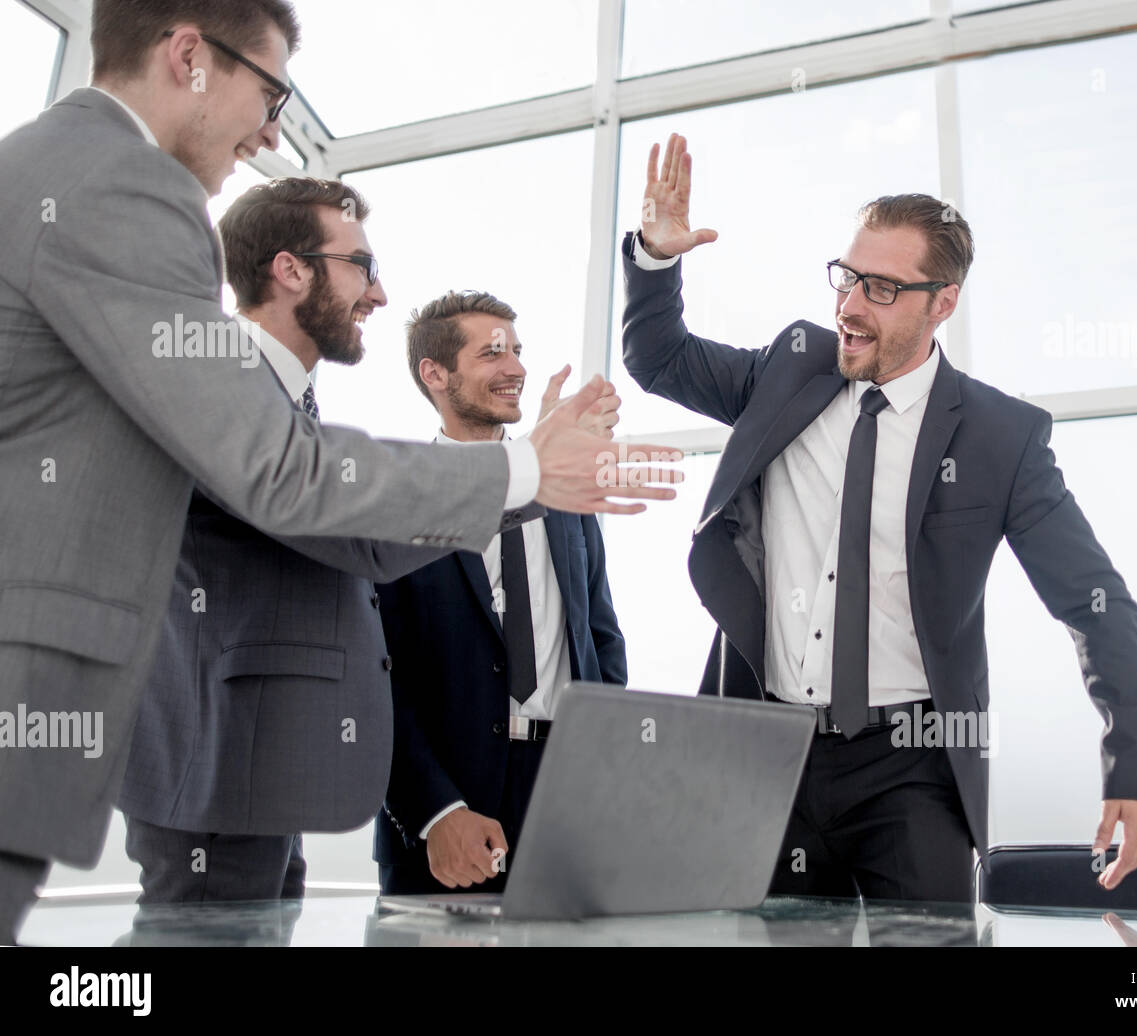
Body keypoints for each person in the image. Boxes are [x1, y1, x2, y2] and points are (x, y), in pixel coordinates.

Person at [0, 0, 678, 943]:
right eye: (271, 92)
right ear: (189, 55)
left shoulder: (68, 182)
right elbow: (291, 481)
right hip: (180, 745)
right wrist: (521, 470)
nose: (272, 128)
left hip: (249, 759)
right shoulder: (123, 190)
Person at [621, 134, 1137, 903]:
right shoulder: (789, 368)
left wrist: (1136, 762)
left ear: (941, 303)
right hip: (760, 752)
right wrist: (654, 256)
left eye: (880, 289)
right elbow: (660, 358)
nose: (849, 306)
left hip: (910, 766)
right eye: (847, 279)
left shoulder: (1000, 437)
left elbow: (1095, 600)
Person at [117, 179, 619, 903]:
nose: (377, 295)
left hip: (258, 769)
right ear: (291, 269)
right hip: (209, 762)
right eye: (361, 265)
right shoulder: (219, 378)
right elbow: (341, 514)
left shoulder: (288, 403)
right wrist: (527, 467)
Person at [375, 291, 628, 895]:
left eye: (517, 350)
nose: (514, 367)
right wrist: (435, 811)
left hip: (565, 800)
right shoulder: (394, 497)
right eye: (492, 353)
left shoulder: (564, 500)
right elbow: (376, 681)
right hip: (449, 811)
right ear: (434, 374)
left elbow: (601, 641)